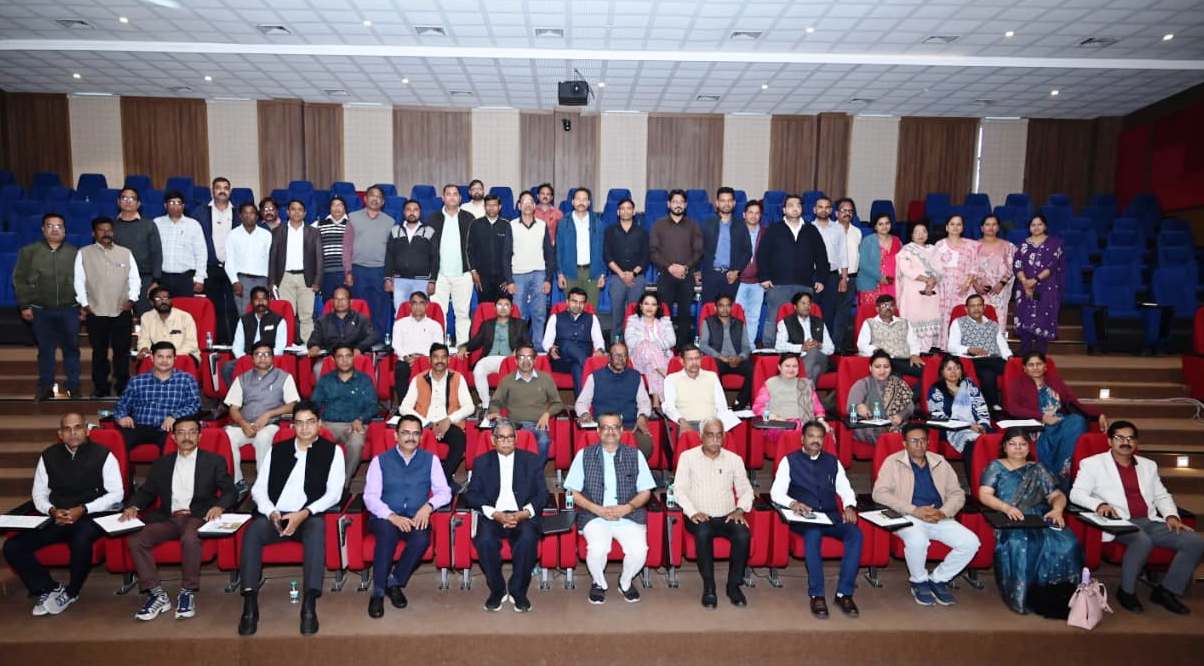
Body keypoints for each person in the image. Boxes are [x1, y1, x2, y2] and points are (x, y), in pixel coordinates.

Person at [1070, 420, 1203, 615]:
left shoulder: (1148, 466)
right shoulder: (1093, 464)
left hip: (1150, 521)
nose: (1126, 442)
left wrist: (1171, 515)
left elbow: (1161, 495)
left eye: (1131, 438)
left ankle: (1166, 591)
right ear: (1110, 441)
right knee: (1142, 540)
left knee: (1195, 541)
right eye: (1120, 438)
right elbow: (1076, 494)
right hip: (1119, 523)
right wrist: (1099, 505)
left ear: (1136, 442)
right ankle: (1127, 592)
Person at [238, 401, 345, 636]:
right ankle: (249, 603)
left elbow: (334, 494)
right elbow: (258, 489)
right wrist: (271, 512)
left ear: (319, 424)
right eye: (299, 423)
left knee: (316, 529)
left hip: (307, 515)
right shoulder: (277, 450)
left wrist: (304, 513)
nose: (305, 428)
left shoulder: (332, 451)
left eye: (310, 422)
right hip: (277, 514)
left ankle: (309, 604)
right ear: (292, 426)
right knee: (253, 531)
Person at [3, 413, 122, 616]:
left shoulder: (103, 455)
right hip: (57, 515)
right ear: (60, 434)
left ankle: (71, 592)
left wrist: (83, 509)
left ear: (87, 431)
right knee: (13, 547)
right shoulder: (48, 455)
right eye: (67, 429)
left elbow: (116, 493)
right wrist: (51, 510)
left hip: (90, 515)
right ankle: (48, 587)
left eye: (77, 428)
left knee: (80, 539)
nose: (73, 433)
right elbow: (39, 494)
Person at [120, 415, 237, 621]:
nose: (187, 437)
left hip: (198, 516)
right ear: (173, 437)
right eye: (181, 433)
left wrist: (219, 506)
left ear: (200, 436)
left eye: (192, 432)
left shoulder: (213, 461)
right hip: (169, 518)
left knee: (190, 538)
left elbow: (230, 491)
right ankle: (156, 594)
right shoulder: (162, 463)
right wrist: (133, 506)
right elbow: (146, 492)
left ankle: (187, 591)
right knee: (137, 539)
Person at [872, 423, 981, 607]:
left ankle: (938, 579)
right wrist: (914, 510)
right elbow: (879, 493)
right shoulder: (893, 462)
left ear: (928, 442)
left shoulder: (939, 461)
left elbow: (957, 493)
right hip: (908, 516)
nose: (919, 445)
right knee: (917, 541)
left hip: (938, 515)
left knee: (971, 542)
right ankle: (919, 581)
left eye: (923, 441)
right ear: (904, 443)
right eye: (914, 441)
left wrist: (943, 512)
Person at [978, 427, 1082, 615]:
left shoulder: (1038, 469)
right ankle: (1023, 598)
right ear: (1004, 447)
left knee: (1068, 543)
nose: (1018, 448)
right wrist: (1006, 508)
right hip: (1010, 518)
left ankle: (1056, 598)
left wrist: (1057, 510)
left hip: (1041, 517)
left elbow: (1056, 495)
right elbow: (984, 494)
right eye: (1013, 444)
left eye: (1023, 444)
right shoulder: (996, 467)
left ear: (1029, 447)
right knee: (1023, 544)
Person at [362, 414, 452, 617]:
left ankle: (394, 581)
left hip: (415, 516)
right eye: (405, 433)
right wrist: (391, 516)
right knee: (387, 535)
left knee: (421, 539)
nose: (411, 438)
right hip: (385, 517)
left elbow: (445, 492)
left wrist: (428, 507)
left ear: (421, 437)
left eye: (415, 434)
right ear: (396, 436)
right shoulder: (380, 461)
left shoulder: (431, 460)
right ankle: (378, 592)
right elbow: (370, 497)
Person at [770, 419, 862, 618]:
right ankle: (817, 594)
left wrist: (849, 506)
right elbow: (776, 493)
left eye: (819, 437)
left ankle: (844, 593)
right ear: (802, 439)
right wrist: (793, 503)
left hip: (830, 516)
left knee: (855, 534)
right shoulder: (789, 461)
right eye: (811, 436)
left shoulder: (833, 462)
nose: (815, 441)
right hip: (805, 518)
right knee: (813, 534)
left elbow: (846, 489)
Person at [564, 412, 656, 605]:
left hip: (628, 515)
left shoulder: (635, 455)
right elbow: (572, 491)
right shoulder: (584, 455)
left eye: (615, 427)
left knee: (639, 551)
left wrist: (628, 507)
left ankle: (625, 582)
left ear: (622, 430)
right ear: (598, 431)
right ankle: (598, 583)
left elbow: (646, 491)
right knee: (597, 549)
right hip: (595, 515)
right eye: (605, 427)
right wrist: (596, 509)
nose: (610, 431)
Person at [462, 417, 548, 612]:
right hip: (494, 515)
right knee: (484, 541)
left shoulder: (532, 460)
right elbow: (472, 495)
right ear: (493, 440)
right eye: (501, 438)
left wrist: (525, 513)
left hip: (522, 515)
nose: (506, 442)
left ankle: (518, 590)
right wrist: (494, 513)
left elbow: (543, 494)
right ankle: (497, 589)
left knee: (527, 539)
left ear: (516, 438)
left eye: (510, 437)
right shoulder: (482, 462)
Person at [675, 417, 754, 608]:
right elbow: (679, 490)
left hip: (727, 515)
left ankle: (733, 586)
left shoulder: (734, 459)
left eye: (719, 435)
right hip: (699, 516)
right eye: (710, 435)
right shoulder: (687, 457)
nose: (715, 440)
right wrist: (693, 512)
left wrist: (740, 509)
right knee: (703, 532)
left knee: (743, 534)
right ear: (701, 436)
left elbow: (746, 490)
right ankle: (709, 586)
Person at [1004, 351, 1105, 489]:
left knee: (1077, 420)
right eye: (1031, 365)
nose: (1035, 367)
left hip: (1060, 422)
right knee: (1054, 435)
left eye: (1039, 364)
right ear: (1025, 368)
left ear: (1045, 366)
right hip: (1038, 425)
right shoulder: (1017, 384)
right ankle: (1055, 480)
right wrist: (1042, 417)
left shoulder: (1055, 382)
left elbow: (1074, 402)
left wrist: (1098, 414)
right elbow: (1013, 408)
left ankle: (1063, 471)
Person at [14, 213, 80, 400]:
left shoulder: (75, 252)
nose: (55, 229)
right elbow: (19, 279)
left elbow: (84, 281)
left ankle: (74, 387)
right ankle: (45, 387)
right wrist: (25, 305)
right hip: (41, 310)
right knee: (45, 350)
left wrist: (83, 305)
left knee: (71, 349)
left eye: (59, 226)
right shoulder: (29, 252)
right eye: (50, 226)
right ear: (43, 229)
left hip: (70, 309)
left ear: (65, 230)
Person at [74, 216, 139, 398]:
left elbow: (135, 279)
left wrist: (132, 299)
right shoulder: (84, 253)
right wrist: (85, 304)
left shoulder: (125, 253)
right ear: (93, 233)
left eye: (108, 230)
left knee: (122, 352)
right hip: (96, 311)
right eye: (101, 230)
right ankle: (101, 387)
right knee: (99, 353)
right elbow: (79, 280)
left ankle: (122, 386)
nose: (105, 233)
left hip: (121, 310)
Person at [223, 341, 301, 486]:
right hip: (244, 425)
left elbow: (293, 405)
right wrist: (243, 424)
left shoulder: (284, 377)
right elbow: (233, 408)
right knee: (227, 436)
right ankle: (238, 483)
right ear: (252, 358)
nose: (262, 358)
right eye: (258, 354)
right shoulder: (242, 379)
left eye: (266, 354)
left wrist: (268, 414)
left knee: (262, 437)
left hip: (270, 425)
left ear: (273, 357)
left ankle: (263, 483)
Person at [757, 194, 829, 348]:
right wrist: (764, 277)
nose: (795, 208)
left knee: (803, 319)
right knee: (773, 317)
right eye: (790, 205)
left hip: (805, 284)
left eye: (798, 205)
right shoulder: (774, 229)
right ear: (784, 210)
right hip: (778, 284)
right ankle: (769, 348)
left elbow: (821, 256)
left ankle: (803, 348)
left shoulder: (811, 230)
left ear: (802, 208)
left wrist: (820, 279)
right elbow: (762, 254)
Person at [399, 343, 474, 490]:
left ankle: (442, 480)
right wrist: (426, 423)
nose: (440, 361)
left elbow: (469, 407)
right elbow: (404, 407)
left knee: (459, 438)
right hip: (424, 425)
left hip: (449, 424)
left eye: (443, 357)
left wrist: (449, 420)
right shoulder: (418, 379)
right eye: (436, 357)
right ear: (429, 360)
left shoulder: (457, 378)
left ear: (449, 360)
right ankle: (439, 482)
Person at [115, 341, 201, 454]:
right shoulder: (137, 381)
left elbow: (195, 405)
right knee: (117, 442)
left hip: (169, 428)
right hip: (139, 426)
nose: (164, 361)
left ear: (175, 359)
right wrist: (122, 417)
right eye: (160, 356)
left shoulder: (186, 379)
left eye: (169, 357)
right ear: (152, 358)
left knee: (174, 443)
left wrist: (175, 416)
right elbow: (122, 405)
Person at [576, 342, 656, 459]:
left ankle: (631, 470)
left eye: (624, 355)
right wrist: (585, 414)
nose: (621, 359)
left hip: (630, 426)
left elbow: (644, 403)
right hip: (605, 427)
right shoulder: (595, 377)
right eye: (616, 355)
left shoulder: (636, 377)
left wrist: (642, 417)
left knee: (646, 445)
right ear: (609, 357)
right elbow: (581, 403)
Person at [311, 344, 378, 486]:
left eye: (348, 356)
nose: (344, 360)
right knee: (314, 440)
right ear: (334, 359)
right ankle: (320, 483)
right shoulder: (326, 380)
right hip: (330, 424)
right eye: (340, 357)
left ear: (353, 358)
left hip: (355, 424)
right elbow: (314, 404)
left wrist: (360, 419)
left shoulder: (364, 380)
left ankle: (343, 483)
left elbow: (373, 406)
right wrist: (317, 420)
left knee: (356, 443)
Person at [487, 343, 563, 460]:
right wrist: (495, 413)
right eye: (522, 357)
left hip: (537, 424)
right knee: (504, 439)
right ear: (516, 361)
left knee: (544, 441)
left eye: (529, 357)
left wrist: (547, 414)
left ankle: (535, 471)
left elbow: (558, 403)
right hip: (514, 424)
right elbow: (495, 402)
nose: (526, 361)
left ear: (535, 360)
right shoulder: (507, 380)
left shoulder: (545, 379)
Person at [458, 294, 529, 411]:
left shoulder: (520, 324)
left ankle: (508, 405)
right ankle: (486, 404)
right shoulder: (487, 325)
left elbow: (528, 343)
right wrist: (464, 347)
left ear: (512, 308)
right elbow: (476, 341)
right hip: (489, 359)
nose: (503, 308)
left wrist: (518, 351)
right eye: (500, 305)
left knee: (512, 368)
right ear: (495, 308)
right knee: (479, 369)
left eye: (506, 305)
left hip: (509, 359)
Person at [343, 185, 397, 338]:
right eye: (372, 195)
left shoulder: (390, 222)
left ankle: (377, 340)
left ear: (383, 202)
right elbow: (346, 247)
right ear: (365, 199)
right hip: (358, 270)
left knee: (379, 308)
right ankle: (358, 339)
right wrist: (348, 271)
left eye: (379, 196)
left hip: (380, 270)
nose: (375, 199)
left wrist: (390, 276)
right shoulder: (353, 217)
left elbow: (392, 252)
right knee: (358, 308)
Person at [926, 354, 991, 480]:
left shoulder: (970, 386)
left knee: (992, 442)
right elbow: (938, 416)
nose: (953, 372)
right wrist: (967, 426)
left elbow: (981, 408)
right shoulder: (936, 389)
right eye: (949, 369)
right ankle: (976, 483)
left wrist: (983, 425)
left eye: (957, 368)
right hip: (950, 429)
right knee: (972, 444)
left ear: (961, 370)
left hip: (976, 427)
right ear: (942, 372)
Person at [650, 189, 702, 346]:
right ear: (668, 204)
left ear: (685, 205)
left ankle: (683, 348)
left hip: (686, 276)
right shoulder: (659, 225)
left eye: (681, 202)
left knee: (685, 314)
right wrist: (670, 267)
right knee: (664, 314)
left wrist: (685, 268)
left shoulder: (693, 226)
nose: (678, 205)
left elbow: (698, 251)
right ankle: (664, 347)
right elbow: (653, 251)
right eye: (674, 202)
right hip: (666, 275)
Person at [427, 184, 476, 346]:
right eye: (448, 194)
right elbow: (427, 247)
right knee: (438, 314)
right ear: (443, 198)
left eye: (455, 194)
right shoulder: (432, 219)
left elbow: (475, 246)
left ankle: (462, 348)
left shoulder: (469, 218)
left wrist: (473, 269)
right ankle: (438, 347)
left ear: (460, 198)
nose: (452, 197)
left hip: (463, 274)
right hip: (439, 274)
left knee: (462, 313)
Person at [268, 199, 322, 344]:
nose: (296, 212)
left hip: (307, 278)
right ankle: (287, 344)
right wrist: (272, 282)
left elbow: (319, 258)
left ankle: (308, 345)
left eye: (300, 209)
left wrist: (317, 280)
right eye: (293, 209)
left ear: (304, 213)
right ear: (287, 212)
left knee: (306, 315)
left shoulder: (313, 232)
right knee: (286, 315)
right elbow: (273, 258)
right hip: (285, 278)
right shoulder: (278, 231)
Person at [192, 177, 238, 343]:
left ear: (230, 191)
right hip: (210, 266)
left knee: (233, 307)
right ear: (213, 190)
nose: (222, 191)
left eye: (225, 188)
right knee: (214, 307)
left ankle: (234, 343)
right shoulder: (200, 213)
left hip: (232, 267)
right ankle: (217, 343)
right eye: (218, 187)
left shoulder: (238, 213)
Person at [947, 293, 1011, 409]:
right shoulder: (958, 323)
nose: (976, 309)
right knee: (988, 370)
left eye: (979, 305)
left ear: (984, 307)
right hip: (972, 361)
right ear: (966, 309)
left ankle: (996, 406)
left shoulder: (993, 325)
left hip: (993, 359)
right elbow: (951, 347)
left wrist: (1009, 357)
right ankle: (993, 405)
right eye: (972, 306)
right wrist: (969, 349)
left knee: (993, 372)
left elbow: (1002, 345)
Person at [510, 190, 555, 352]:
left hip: (539, 273)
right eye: (524, 202)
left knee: (539, 312)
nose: (528, 205)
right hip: (518, 274)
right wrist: (509, 280)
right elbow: (505, 254)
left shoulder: (542, 225)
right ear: (519, 206)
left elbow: (549, 253)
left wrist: (548, 279)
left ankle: (538, 346)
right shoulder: (511, 225)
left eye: (530, 202)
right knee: (519, 314)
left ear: (534, 206)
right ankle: (519, 347)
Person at [1013, 214, 1064, 354]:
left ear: (1045, 226)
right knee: (1025, 318)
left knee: (1043, 319)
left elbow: (1052, 265)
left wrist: (1035, 280)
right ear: (1029, 227)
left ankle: (1040, 355)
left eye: (1039, 224)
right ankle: (1024, 354)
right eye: (1033, 225)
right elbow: (1017, 265)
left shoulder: (1054, 244)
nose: (1036, 227)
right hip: (1024, 287)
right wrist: (1025, 283)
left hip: (1046, 287)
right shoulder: (1023, 244)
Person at [752, 353, 827, 445]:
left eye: (794, 366)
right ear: (779, 367)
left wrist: (821, 421)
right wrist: (772, 417)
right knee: (795, 434)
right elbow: (758, 408)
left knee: (824, 432)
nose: (791, 369)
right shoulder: (770, 383)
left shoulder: (805, 384)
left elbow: (818, 408)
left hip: (805, 423)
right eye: (787, 366)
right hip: (780, 425)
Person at [662, 344, 737, 435]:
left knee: (719, 436)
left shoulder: (711, 376)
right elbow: (669, 407)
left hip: (710, 424)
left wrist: (720, 424)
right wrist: (681, 421)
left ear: (701, 359)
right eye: (690, 359)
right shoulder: (671, 379)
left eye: (697, 358)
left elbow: (721, 405)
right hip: (687, 423)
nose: (694, 363)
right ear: (682, 361)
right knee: (689, 436)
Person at [542, 287, 606, 393]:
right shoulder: (555, 318)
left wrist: (600, 350)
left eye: (581, 302)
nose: (578, 305)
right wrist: (550, 349)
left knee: (577, 368)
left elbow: (599, 341)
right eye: (574, 301)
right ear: (567, 302)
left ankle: (580, 403)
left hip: (580, 361)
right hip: (562, 361)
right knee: (566, 344)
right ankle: (588, 365)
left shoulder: (592, 318)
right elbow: (546, 342)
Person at [223, 285, 288, 386]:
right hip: (248, 358)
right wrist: (248, 360)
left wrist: (263, 358)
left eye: (264, 299)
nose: (260, 302)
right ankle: (237, 394)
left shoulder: (279, 320)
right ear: (251, 301)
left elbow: (280, 348)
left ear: (269, 301)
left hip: (270, 359)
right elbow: (237, 347)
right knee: (227, 367)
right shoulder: (244, 320)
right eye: (257, 299)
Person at [847, 350, 915, 445]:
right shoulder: (863, 384)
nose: (882, 371)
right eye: (877, 367)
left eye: (886, 367)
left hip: (894, 425)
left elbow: (910, 406)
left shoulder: (898, 383)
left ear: (891, 368)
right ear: (870, 368)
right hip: (870, 428)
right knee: (891, 438)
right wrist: (858, 407)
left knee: (912, 433)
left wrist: (901, 415)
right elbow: (851, 406)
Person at [112, 187, 162, 314]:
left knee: (146, 318)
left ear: (138, 204)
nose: (128, 201)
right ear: (118, 202)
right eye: (124, 198)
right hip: (118, 279)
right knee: (119, 317)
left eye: (132, 198)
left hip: (144, 279)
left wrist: (156, 280)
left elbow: (157, 253)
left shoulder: (149, 225)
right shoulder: (111, 226)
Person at [698, 294, 753, 409]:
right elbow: (703, 345)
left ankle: (739, 404)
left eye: (728, 305)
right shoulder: (708, 322)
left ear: (732, 307)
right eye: (721, 306)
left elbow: (746, 346)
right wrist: (720, 357)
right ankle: (720, 404)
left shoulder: (739, 323)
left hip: (736, 359)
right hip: (718, 359)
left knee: (753, 369)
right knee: (712, 369)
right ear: (715, 307)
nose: (725, 309)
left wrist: (740, 357)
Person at [603, 197, 649, 334]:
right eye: (622, 209)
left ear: (634, 212)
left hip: (637, 278)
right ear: (618, 212)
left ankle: (634, 343)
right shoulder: (610, 231)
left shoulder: (642, 232)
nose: (625, 211)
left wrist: (633, 273)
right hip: (617, 277)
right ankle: (616, 343)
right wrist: (621, 274)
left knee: (635, 315)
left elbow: (645, 257)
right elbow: (607, 255)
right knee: (616, 314)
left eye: (629, 208)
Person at [933, 215, 980, 349]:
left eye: (958, 224)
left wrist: (967, 284)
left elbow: (974, 267)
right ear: (947, 227)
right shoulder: (940, 245)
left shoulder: (970, 246)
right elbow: (933, 267)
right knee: (944, 318)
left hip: (963, 289)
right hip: (944, 290)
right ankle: (944, 348)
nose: (955, 227)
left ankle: (963, 349)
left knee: (961, 317)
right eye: (952, 224)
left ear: (962, 228)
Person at [384, 199, 438, 315]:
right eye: (408, 209)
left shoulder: (429, 231)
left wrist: (432, 280)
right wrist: (388, 278)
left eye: (415, 210)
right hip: (400, 281)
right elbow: (389, 256)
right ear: (404, 212)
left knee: (420, 314)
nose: (412, 212)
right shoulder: (395, 230)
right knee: (400, 313)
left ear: (420, 212)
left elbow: (435, 257)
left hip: (422, 281)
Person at [809, 196, 848, 353]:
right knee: (810, 310)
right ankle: (810, 346)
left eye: (827, 207)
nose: (823, 210)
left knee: (829, 312)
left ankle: (826, 348)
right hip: (812, 275)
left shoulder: (838, 229)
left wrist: (843, 278)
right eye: (820, 207)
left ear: (831, 210)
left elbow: (843, 255)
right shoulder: (808, 228)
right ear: (814, 210)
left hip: (832, 276)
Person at [555, 186, 606, 307]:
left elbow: (603, 250)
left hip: (592, 272)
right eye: (578, 199)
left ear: (589, 203)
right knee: (572, 309)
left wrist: (602, 274)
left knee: (591, 309)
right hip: (570, 272)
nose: (581, 202)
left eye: (584, 199)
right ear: (573, 202)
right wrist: (560, 273)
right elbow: (559, 250)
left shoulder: (597, 222)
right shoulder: (564, 222)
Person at [895, 222, 942, 353]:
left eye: (924, 231)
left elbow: (940, 269)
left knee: (930, 319)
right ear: (911, 235)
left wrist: (933, 280)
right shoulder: (906, 250)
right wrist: (927, 279)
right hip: (913, 291)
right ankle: (914, 352)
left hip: (932, 291)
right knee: (913, 320)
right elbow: (906, 270)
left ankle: (926, 352)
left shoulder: (933, 250)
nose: (921, 235)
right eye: (917, 232)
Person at [855, 294, 924, 383]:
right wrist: (878, 351)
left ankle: (913, 392)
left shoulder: (904, 322)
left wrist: (914, 354)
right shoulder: (869, 323)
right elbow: (862, 345)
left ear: (895, 307)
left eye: (891, 305)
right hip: (884, 361)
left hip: (905, 360)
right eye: (884, 306)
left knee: (927, 371)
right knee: (893, 374)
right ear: (877, 309)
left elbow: (913, 342)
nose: (888, 308)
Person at [391, 291, 445, 403]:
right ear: (410, 305)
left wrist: (421, 358)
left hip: (427, 360)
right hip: (406, 360)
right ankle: (404, 406)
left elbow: (438, 347)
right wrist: (406, 357)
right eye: (414, 303)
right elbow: (396, 345)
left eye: (421, 303)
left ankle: (430, 405)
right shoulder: (400, 324)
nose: (418, 306)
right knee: (401, 369)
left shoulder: (435, 326)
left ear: (427, 305)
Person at [698, 187, 749, 305]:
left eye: (729, 200)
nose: (726, 204)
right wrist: (697, 271)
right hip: (711, 276)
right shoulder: (707, 223)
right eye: (723, 200)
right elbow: (698, 249)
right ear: (717, 203)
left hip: (731, 277)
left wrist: (737, 271)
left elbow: (747, 251)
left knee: (728, 313)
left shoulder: (741, 225)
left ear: (734, 203)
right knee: (709, 311)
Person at [624, 291, 676, 404]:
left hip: (662, 357)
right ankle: (665, 376)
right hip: (639, 356)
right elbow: (630, 341)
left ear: (658, 307)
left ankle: (656, 403)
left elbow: (672, 340)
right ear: (641, 306)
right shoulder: (633, 321)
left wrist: (653, 346)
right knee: (647, 347)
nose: (649, 307)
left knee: (651, 364)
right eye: (646, 303)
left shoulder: (664, 322)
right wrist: (647, 345)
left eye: (653, 304)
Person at [773, 291, 834, 385]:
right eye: (803, 303)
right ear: (795, 306)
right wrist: (801, 347)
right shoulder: (785, 323)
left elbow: (831, 348)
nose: (807, 306)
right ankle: (806, 392)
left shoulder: (819, 322)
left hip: (820, 359)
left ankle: (800, 388)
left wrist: (819, 345)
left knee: (813, 351)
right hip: (797, 360)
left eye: (809, 304)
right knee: (816, 370)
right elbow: (779, 346)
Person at [153, 191, 207, 297]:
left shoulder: (194, 225)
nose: (175, 206)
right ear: (165, 205)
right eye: (172, 203)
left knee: (184, 307)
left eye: (178, 203)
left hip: (185, 278)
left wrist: (200, 278)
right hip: (162, 277)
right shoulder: (156, 223)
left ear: (183, 206)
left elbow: (201, 253)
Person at [224, 201, 273, 316]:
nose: (248, 215)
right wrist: (235, 281)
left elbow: (270, 260)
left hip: (262, 280)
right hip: (242, 281)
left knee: (263, 314)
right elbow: (229, 261)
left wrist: (271, 282)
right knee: (245, 315)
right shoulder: (232, 235)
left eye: (251, 213)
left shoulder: (266, 235)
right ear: (240, 216)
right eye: (245, 213)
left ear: (257, 216)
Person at [306, 286, 378, 358]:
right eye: (336, 299)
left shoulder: (361, 319)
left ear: (350, 301)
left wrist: (360, 348)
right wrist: (315, 346)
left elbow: (372, 336)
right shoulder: (323, 321)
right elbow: (314, 339)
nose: (339, 302)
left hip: (355, 357)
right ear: (333, 301)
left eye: (343, 299)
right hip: (331, 358)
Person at [971, 214, 1016, 329]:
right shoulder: (972, 247)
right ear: (982, 228)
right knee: (979, 322)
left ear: (998, 227)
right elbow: (967, 268)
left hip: (999, 291)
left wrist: (1001, 284)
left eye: (994, 224)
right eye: (987, 224)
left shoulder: (1008, 246)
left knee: (998, 322)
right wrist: (976, 285)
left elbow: (1012, 267)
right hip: (979, 290)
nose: (991, 227)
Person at [468, 194, 514, 303]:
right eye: (488, 205)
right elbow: (470, 250)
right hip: (482, 277)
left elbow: (510, 253)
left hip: (502, 277)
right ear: (484, 207)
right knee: (485, 308)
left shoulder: (506, 225)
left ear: (499, 207)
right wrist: (474, 272)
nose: (491, 208)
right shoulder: (476, 224)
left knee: (503, 308)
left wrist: (508, 278)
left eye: (494, 205)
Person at [733, 200, 767, 351]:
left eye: (757, 213)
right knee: (736, 315)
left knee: (754, 316)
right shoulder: (735, 231)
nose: (754, 216)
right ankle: (736, 346)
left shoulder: (765, 233)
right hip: (738, 281)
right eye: (750, 212)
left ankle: (750, 346)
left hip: (757, 282)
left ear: (761, 216)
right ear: (744, 214)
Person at [137, 287, 199, 361]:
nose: (163, 301)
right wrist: (144, 348)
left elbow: (191, 344)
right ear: (151, 302)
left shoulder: (185, 317)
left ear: (171, 300)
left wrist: (171, 355)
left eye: (166, 298)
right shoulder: (146, 317)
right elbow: (144, 339)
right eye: (158, 299)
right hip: (158, 357)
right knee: (146, 362)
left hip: (184, 356)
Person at [832, 198, 862, 353]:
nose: (847, 213)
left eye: (850, 211)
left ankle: (839, 346)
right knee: (831, 311)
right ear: (836, 213)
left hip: (852, 277)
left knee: (844, 313)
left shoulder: (857, 232)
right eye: (844, 210)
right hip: (833, 277)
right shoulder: (830, 230)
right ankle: (829, 346)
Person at [856, 213, 901, 308]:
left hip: (892, 283)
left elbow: (902, 262)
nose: (884, 226)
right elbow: (863, 264)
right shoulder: (868, 241)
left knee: (890, 312)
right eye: (880, 224)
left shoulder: (897, 241)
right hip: (871, 283)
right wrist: (880, 277)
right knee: (871, 313)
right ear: (875, 227)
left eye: (887, 223)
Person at [314, 195, 350, 300]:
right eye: (333, 205)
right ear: (329, 208)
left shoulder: (352, 224)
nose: (336, 208)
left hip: (345, 272)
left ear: (345, 208)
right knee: (328, 303)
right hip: (326, 272)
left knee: (345, 302)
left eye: (340, 205)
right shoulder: (319, 224)